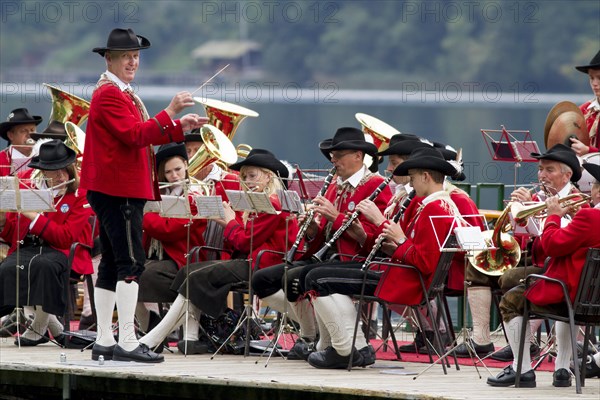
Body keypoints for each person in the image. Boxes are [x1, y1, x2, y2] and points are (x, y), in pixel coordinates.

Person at [79, 28, 205, 363]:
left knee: (111, 262)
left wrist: (180, 127)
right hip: (118, 191)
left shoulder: (120, 92)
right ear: (109, 59)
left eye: (136, 56)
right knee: (131, 263)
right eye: (126, 56)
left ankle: (105, 339)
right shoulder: (109, 94)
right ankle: (129, 341)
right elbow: (135, 136)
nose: (133, 61)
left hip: (116, 189)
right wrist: (172, 110)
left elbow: (141, 135)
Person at [302, 146, 462, 368]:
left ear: (425, 176)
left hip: (406, 280)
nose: (411, 184)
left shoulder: (434, 209)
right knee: (317, 275)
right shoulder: (438, 205)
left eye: (414, 178)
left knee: (316, 279)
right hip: (400, 272)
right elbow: (413, 250)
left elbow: (424, 263)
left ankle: (345, 349)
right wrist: (386, 245)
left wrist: (383, 225)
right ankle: (357, 346)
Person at [251, 127, 391, 362]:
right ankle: (317, 333)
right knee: (264, 279)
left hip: (353, 260)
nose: (333, 160)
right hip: (327, 256)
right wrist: (312, 229)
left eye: (339, 155)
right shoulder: (336, 185)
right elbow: (322, 239)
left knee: (302, 277)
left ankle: (329, 341)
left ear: (358, 156)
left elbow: (371, 240)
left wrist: (335, 216)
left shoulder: (376, 186)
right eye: (332, 156)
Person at [139, 148, 296, 354]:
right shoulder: (262, 202)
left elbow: (243, 242)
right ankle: (176, 336)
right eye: (245, 177)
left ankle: (157, 336)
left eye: (252, 176)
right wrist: (224, 221)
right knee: (190, 272)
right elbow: (243, 238)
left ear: (268, 177)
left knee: (193, 274)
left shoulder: (271, 203)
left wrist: (229, 220)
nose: (247, 181)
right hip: (254, 261)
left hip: (261, 265)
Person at [487, 164, 600, 388]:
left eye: (594, 186)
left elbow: (551, 246)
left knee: (510, 301)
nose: (590, 191)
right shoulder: (588, 217)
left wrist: (553, 217)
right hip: (592, 300)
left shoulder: (591, 217)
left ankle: (523, 369)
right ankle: (561, 369)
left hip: (569, 296)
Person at [491, 143, 586, 362]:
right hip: (542, 261)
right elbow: (522, 241)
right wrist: (521, 211)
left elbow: (562, 244)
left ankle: (523, 350)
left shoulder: (576, 202)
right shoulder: (539, 198)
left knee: (509, 280)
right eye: (540, 169)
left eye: (549, 170)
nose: (542, 175)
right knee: (496, 274)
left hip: (561, 267)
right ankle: (523, 343)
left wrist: (541, 216)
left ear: (567, 175)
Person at [0, 140, 93, 345]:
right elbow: (13, 233)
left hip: (65, 251)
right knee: (8, 267)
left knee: (43, 267)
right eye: (53, 171)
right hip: (30, 247)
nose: (61, 176)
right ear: (42, 171)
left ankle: (36, 330)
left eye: (64, 169)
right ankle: (56, 329)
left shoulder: (80, 194)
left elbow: (65, 237)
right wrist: (3, 221)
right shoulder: (29, 186)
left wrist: (33, 215)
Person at [136, 142, 208, 333]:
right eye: (168, 172)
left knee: (145, 275)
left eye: (178, 169)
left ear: (186, 166)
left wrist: (144, 215)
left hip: (184, 259)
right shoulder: (158, 195)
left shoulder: (194, 197)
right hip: (160, 258)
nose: (174, 176)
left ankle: (156, 330)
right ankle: (148, 326)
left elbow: (169, 230)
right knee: (126, 274)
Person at [570, 49, 600, 156]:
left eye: (599, 78)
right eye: (591, 78)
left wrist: (589, 151)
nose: (594, 83)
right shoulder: (583, 110)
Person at [0, 108, 42, 176]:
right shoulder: (1, 159)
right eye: (23, 131)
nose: (29, 135)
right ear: (11, 135)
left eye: (32, 130)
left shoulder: (44, 156)